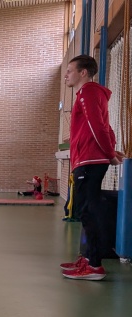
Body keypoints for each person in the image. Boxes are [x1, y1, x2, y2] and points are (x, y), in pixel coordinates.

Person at [60, 55, 124, 280]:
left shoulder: (88, 92)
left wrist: (109, 154)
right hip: (88, 159)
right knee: (87, 211)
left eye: (70, 70)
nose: (66, 75)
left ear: (83, 72)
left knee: (88, 212)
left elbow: (98, 126)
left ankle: (94, 265)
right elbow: (106, 127)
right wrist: (111, 150)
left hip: (89, 161)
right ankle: (88, 259)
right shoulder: (90, 94)